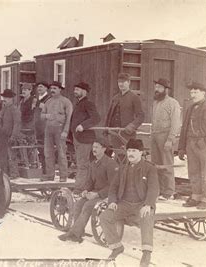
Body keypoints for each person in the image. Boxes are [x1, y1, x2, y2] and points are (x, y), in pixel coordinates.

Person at [99, 139, 159, 267]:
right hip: (124, 204)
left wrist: (148, 204)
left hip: (141, 204)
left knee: (147, 217)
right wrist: (113, 201)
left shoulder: (149, 168)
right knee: (105, 217)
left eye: (134, 151)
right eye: (129, 151)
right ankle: (116, 247)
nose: (130, 153)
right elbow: (113, 187)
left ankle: (146, 252)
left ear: (141, 152)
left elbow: (154, 188)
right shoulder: (122, 168)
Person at [58, 139, 118, 243]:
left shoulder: (110, 164)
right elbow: (89, 181)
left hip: (107, 195)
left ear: (104, 149)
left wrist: (97, 194)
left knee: (88, 205)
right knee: (79, 204)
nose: (94, 149)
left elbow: (113, 185)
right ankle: (78, 232)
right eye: (93, 147)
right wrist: (86, 190)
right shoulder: (93, 164)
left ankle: (74, 234)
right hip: (94, 193)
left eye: (97, 147)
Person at [178, 82, 206, 210]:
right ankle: (196, 197)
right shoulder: (190, 109)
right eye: (191, 92)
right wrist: (181, 147)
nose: (193, 95)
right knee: (193, 172)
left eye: (196, 92)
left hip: (205, 146)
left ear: (203, 93)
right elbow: (184, 129)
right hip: (190, 145)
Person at [151, 78, 181, 200]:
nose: (156, 89)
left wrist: (170, 139)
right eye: (156, 87)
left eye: (159, 87)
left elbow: (175, 123)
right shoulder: (155, 103)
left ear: (166, 89)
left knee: (167, 165)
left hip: (165, 136)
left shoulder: (173, 103)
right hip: (155, 135)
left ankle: (168, 192)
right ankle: (158, 191)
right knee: (156, 165)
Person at [70, 82, 101, 189]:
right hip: (77, 138)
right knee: (81, 163)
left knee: (83, 165)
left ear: (84, 91)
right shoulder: (78, 104)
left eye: (77, 90)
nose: (75, 92)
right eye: (75, 89)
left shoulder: (88, 103)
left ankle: (79, 189)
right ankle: (85, 187)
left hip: (85, 139)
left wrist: (83, 126)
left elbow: (96, 118)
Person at [40, 81, 73, 182]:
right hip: (48, 130)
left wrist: (65, 131)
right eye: (51, 88)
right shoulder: (48, 102)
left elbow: (69, 118)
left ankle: (63, 176)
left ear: (60, 89)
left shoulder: (66, 102)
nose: (52, 90)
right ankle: (50, 175)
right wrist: (46, 116)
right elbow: (41, 115)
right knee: (48, 152)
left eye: (55, 88)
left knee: (61, 153)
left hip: (60, 129)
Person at [105, 73, 145, 148]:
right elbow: (109, 115)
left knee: (127, 156)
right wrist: (106, 129)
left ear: (129, 82)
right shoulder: (115, 98)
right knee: (117, 156)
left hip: (127, 135)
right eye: (119, 82)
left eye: (123, 82)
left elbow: (141, 116)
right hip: (114, 134)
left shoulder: (134, 97)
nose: (121, 84)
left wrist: (132, 126)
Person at [0, 89, 22, 177]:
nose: (4, 99)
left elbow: (17, 124)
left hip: (10, 136)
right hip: (3, 136)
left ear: (11, 99)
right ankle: (5, 173)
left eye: (7, 98)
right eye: (4, 97)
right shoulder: (4, 108)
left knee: (12, 156)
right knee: (4, 155)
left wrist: (13, 137)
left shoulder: (14, 109)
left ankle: (14, 174)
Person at [34, 82, 51, 174]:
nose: (39, 88)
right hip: (37, 129)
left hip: (45, 129)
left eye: (41, 87)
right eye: (38, 87)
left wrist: (44, 107)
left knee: (46, 151)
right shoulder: (36, 99)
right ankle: (43, 170)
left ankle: (47, 171)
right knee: (40, 151)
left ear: (46, 88)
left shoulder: (49, 99)